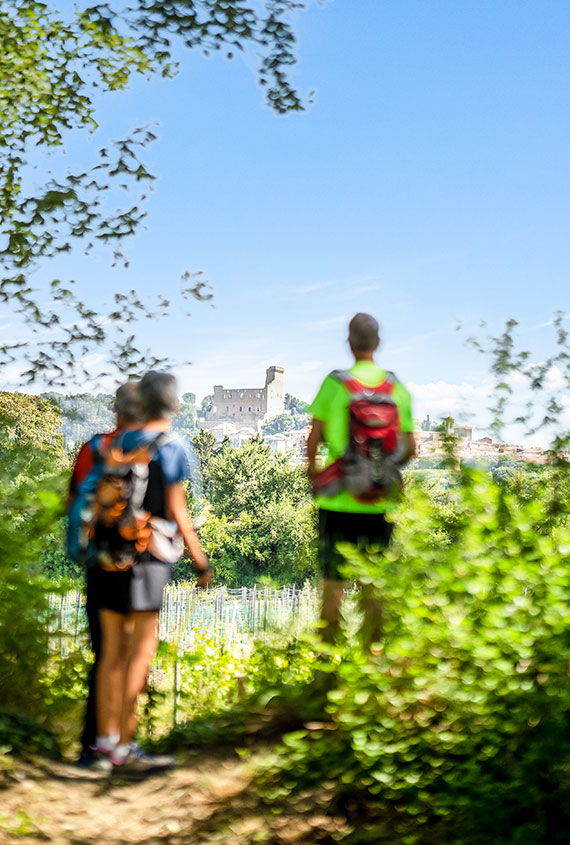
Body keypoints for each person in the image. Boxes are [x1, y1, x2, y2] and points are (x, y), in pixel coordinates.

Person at [93, 371, 212, 775]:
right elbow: (178, 511)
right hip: (148, 557)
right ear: (174, 405)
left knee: (111, 652)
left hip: (111, 554)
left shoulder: (120, 441)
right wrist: (200, 560)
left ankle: (106, 743)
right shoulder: (173, 445)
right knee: (140, 654)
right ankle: (127, 747)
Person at [307, 313, 415, 645]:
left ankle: (326, 671)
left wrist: (314, 476)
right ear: (378, 343)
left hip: (338, 500)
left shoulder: (335, 384)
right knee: (374, 585)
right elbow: (410, 449)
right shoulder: (396, 388)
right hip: (379, 502)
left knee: (332, 585)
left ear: (349, 343)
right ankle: (372, 666)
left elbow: (314, 441)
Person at [69, 382, 142, 769]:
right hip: (138, 566)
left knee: (104, 654)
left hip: (98, 563)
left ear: (115, 409)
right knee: (131, 656)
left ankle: (92, 745)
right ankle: (124, 745)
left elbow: (73, 501)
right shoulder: (152, 450)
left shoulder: (93, 449)